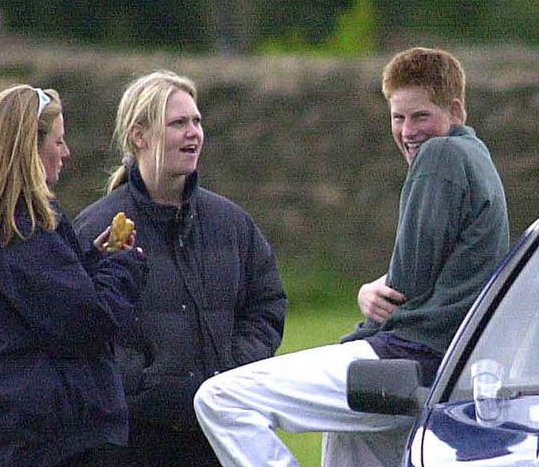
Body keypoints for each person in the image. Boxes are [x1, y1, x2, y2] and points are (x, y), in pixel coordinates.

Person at [193, 47, 510, 467]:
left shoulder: (440, 156)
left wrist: (366, 306)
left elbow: (406, 284)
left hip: (405, 360)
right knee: (347, 439)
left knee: (220, 398)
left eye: (420, 116)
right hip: (442, 368)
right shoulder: (479, 158)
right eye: (398, 117)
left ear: (455, 110)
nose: (408, 131)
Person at [73, 70, 288, 466]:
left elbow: (267, 303)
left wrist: (231, 372)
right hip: (135, 445)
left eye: (196, 121)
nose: (194, 133)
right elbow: (84, 327)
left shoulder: (231, 223)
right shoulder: (96, 229)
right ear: (139, 135)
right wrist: (147, 384)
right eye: (178, 123)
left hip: (222, 436)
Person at [0, 85, 148, 466]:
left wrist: (90, 261)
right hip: (56, 443)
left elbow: (44, 311)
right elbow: (89, 323)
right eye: (59, 140)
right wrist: (124, 264)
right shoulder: (24, 232)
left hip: (8, 439)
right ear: (28, 150)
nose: (66, 152)